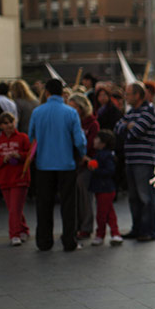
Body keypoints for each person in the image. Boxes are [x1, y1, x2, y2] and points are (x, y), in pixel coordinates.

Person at [28, 79, 87, 251]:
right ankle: (69, 240)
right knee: (69, 204)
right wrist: (81, 154)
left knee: (44, 204)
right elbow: (79, 140)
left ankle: (44, 241)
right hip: (66, 164)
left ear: (46, 92)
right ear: (62, 93)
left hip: (44, 164)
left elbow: (31, 137)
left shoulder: (38, 112)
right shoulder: (70, 112)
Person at [114, 82, 155, 241]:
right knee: (133, 197)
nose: (126, 97)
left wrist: (127, 128)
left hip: (143, 160)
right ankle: (137, 228)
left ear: (137, 95)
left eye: (128, 94)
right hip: (131, 159)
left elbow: (136, 132)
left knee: (145, 197)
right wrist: (128, 127)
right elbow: (117, 129)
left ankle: (149, 231)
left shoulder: (149, 110)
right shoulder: (131, 112)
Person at [0, 112, 31, 246]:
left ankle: (14, 234)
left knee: (15, 208)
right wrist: (4, 159)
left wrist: (19, 155)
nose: (9, 125)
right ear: (1, 126)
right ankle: (24, 229)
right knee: (14, 208)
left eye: (11, 122)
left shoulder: (23, 138)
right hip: (4, 179)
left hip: (20, 178)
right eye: (6, 123)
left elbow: (29, 155)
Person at [68, 93, 99, 240]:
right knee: (75, 196)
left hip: (87, 163)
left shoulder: (92, 123)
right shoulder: (70, 121)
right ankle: (76, 225)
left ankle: (86, 227)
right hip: (73, 162)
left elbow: (93, 143)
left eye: (74, 107)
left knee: (85, 195)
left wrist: (84, 156)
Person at [88, 130, 123, 246]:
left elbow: (109, 171)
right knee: (109, 212)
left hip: (104, 188)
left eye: (97, 138)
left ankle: (100, 234)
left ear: (103, 143)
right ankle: (115, 233)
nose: (94, 140)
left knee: (102, 213)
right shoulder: (103, 154)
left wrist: (95, 170)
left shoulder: (105, 155)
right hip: (104, 188)